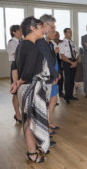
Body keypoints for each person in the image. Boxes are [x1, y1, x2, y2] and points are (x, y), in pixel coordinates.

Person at [12, 16, 49, 163]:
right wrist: (20, 80)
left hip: (24, 88)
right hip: (31, 87)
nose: (43, 30)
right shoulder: (33, 47)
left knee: (28, 121)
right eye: (41, 27)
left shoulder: (21, 45)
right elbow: (27, 73)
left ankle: (32, 149)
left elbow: (14, 66)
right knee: (31, 122)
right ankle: (32, 152)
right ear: (32, 28)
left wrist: (16, 83)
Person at [59, 28, 79, 103]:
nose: (70, 34)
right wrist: (71, 63)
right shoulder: (61, 43)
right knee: (67, 79)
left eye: (71, 32)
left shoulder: (73, 43)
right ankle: (66, 97)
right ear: (64, 33)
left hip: (74, 61)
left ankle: (71, 95)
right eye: (68, 32)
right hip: (67, 62)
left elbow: (77, 53)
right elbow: (63, 56)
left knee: (72, 80)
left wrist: (76, 62)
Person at [7, 25, 22, 123]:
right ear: (14, 32)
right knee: (16, 92)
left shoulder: (22, 41)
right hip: (16, 67)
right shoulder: (12, 42)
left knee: (22, 91)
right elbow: (15, 54)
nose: (21, 32)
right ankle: (17, 114)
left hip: (23, 67)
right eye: (19, 31)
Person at [46, 31, 60, 131]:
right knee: (47, 100)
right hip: (48, 77)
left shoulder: (51, 43)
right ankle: (45, 125)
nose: (54, 33)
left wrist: (57, 72)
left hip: (54, 74)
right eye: (52, 30)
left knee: (54, 100)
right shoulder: (42, 44)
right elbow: (45, 62)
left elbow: (55, 60)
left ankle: (49, 121)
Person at [53, 31, 64, 97]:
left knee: (61, 77)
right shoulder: (50, 42)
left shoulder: (62, 42)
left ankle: (60, 91)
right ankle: (54, 94)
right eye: (56, 35)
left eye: (58, 34)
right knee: (54, 77)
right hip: (53, 61)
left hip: (60, 61)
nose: (57, 36)